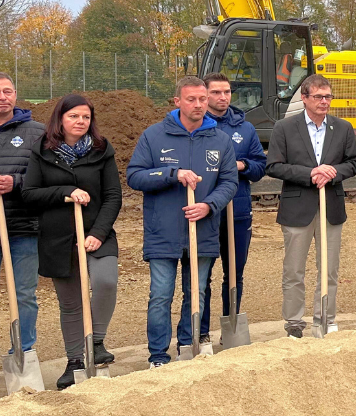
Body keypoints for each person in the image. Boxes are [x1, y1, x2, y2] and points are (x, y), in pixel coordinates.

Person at [126, 76, 238, 366]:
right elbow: (135, 176)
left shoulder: (220, 140)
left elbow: (229, 182)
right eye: (191, 99)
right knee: (161, 295)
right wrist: (171, 174)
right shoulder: (154, 136)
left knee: (196, 292)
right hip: (162, 231)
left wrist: (209, 205)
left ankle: (188, 346)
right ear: (177, 101)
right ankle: (158, 356)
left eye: (202, 99)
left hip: (203, 230)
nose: (198, 104)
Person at [23, 94, 122, 389]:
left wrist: (98, 234)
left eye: (86, 117)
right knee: (70, 303)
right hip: (58, 237)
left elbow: (113, 196)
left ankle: (96, 342)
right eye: (74, 116)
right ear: (60, 119)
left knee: (106, 281)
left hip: (97, 232)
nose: (81, 121)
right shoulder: (42, 151)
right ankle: (75, 361)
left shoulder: (102, 150)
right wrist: (66, 191)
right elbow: (29, 194)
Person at [266, 74, 356, 337]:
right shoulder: (284, 128)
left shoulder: (343, 128)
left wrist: (332, 172)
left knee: (329, 268)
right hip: (297, 208)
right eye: (318, 96)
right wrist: (310, 173)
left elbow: (353, 162)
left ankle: (325, 318)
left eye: (328, 96)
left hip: (331, 207)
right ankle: (294, 322)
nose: (324, 101)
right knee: (294, 269)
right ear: (304, 98)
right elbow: (274, 166)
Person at [0, 72, 45, 388]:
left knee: (25, 294)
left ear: (15, 94)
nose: (2, 97)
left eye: (8, 91)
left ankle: (23, 351)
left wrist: (15, 182)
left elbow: (46, 176)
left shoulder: (37, 132)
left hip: (24, 225)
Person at [199, 74, 267, 344]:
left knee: (234, 273)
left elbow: (259, 166)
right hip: (205, 213)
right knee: (202, 274)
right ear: (205, 95)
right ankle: (201, 331)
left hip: (237, 212)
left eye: (226, 92)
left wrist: (240, 165)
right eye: (216, 92)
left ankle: (231, 328)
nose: (223, 97)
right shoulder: (197, 127)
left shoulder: (245, 128)